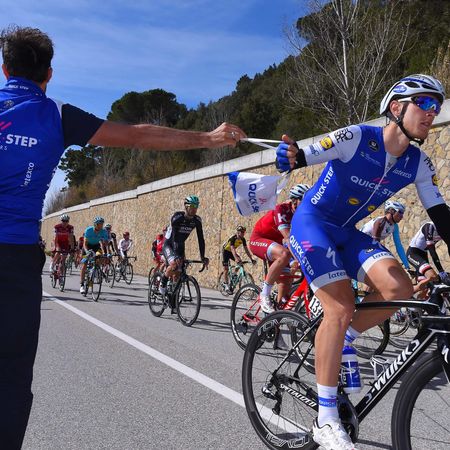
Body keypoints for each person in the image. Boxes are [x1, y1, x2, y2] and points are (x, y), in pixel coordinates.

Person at [0, 25, 245, 447]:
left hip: (20, 254)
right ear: (49, 74)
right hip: (16, 259)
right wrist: (208, 138)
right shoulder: (57, 115)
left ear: (5, 70)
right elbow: (137, 135)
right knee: (11, 380)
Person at [276, 74, 450, 449]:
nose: (431, 113)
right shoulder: (357, 137)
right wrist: (289, 155)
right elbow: (302, 154)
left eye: (436, 107)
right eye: (424, 103)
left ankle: (345, 339)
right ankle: (325, 420)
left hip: (346, 231)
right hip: (313, 224)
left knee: (400, 288)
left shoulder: (418, 163)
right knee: (339, 306)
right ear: (396, 107)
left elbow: (442, 216)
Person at [249, 184, 310, 313]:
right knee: (284, 254)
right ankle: (264, 294)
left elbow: (303, 240)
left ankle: (275, 318)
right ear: (295, 200)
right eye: (304, 200)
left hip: (277, 245)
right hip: (259, 239)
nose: (307, 204)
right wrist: (297, 258)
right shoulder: (282, 209)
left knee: (285, 284)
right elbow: (287, 238)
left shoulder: (301, 215)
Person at [159, 196, 209, 300]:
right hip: (169, 244)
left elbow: (201, 239)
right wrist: (176, 255)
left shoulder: (197, 220)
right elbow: (174, 237)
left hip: (180, 245)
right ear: (186, 206)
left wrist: (203, 257)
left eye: (196, 206)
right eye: (192, 206)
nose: (194, 209)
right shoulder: (177, 217)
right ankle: (163, 282)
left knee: (179, 272)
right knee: (174, 264)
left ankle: (173, 296)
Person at [360, 200, 409, 269]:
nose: (402, 216)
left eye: (403, 213)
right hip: (359, 244)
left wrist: (407, 265)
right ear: (392, 211)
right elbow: (375, 243)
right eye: (400, 212)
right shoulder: (380, 221)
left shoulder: (394, 226)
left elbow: (398, 245)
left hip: (367, 245)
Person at [407, 220, 450, 287]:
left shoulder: (445, 229)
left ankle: (417, 280)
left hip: (423, 254)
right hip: (413, 253)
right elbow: (432, 251)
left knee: (426, 287)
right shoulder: (430, 226)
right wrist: (441, 271)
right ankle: (410, 290)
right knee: (432, 276)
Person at [220, 225, 256, 294]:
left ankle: (234, 274)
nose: (243, 233)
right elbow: (233, 249)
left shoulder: (243, 239)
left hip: (231, 252)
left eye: (244, 232)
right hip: (226, 251)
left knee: (240, 263)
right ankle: (225, 284)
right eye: (241, 232)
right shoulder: (233, 238)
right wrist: (236, 258)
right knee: (226, 269)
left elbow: (246, 250)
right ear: (238, 232)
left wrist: (251, 259)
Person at [79, 217, 109, 294]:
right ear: (95, 224)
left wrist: (106, 253)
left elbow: (104, 244)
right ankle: (82, 285)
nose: (101, 226)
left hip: (96, 246)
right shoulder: (89, 230)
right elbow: (85, 243)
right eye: (99, 224)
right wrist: (87, 252)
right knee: (84, 264)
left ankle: (96, 269)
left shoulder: (104, 231)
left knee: (100, 257)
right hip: (87, 246)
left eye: (102, 224)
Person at [50, 214, 75, 278]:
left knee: (64, 257)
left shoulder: (70, 227)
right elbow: (55, 237)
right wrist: (56, 247)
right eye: (63, 221)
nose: (65, 222)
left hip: (65, 242)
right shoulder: (57, 227)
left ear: (68, 221)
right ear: (61, 221)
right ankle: (52, 265)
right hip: (57, 241)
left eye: (66, 221)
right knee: (58, 251)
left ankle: (61, 272)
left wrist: (72, 247)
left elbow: (71, 238)